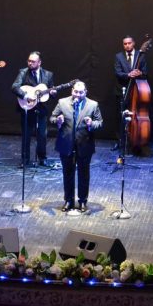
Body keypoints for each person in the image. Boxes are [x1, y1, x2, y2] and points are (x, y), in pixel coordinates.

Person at [50, 81, 103, 213]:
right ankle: (68, 200)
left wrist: (91, 124)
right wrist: (57, 121)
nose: (78, 95)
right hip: (66, 144)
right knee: (67, 174)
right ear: (72, 91)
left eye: (81, 92)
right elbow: (52, 117)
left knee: (84, 174)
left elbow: (100, 122)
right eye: (75, 92)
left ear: (85, 92)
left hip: (84, 145)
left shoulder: (93, 105)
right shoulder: (62, 103)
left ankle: (83, 201)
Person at [11, 51, 56, 168]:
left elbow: (50, 92)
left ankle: (42, 158)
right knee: (26, 135)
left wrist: (53, 93)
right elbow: (15, 87)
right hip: (27, 107)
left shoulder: (48, 75)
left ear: (39, 63)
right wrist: (26, 96)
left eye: (33, 61)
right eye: (29, 61)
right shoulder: (23, 72)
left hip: (41, 109)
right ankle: (25, 160)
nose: (30, 63)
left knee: (42, 135)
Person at [113, 35, 147, 153]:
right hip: (121, 91)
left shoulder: (140, 55)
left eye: (129, 43)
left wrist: (139, 73)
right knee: (120, 117)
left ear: (134, 43)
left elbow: (145, 73)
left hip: (137, 91)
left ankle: (134, 140)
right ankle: (120, 141)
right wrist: (128, 75)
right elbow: (117, 73)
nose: (127, 45)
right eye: (125, 44)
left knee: (135, 116)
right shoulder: (118, 56)